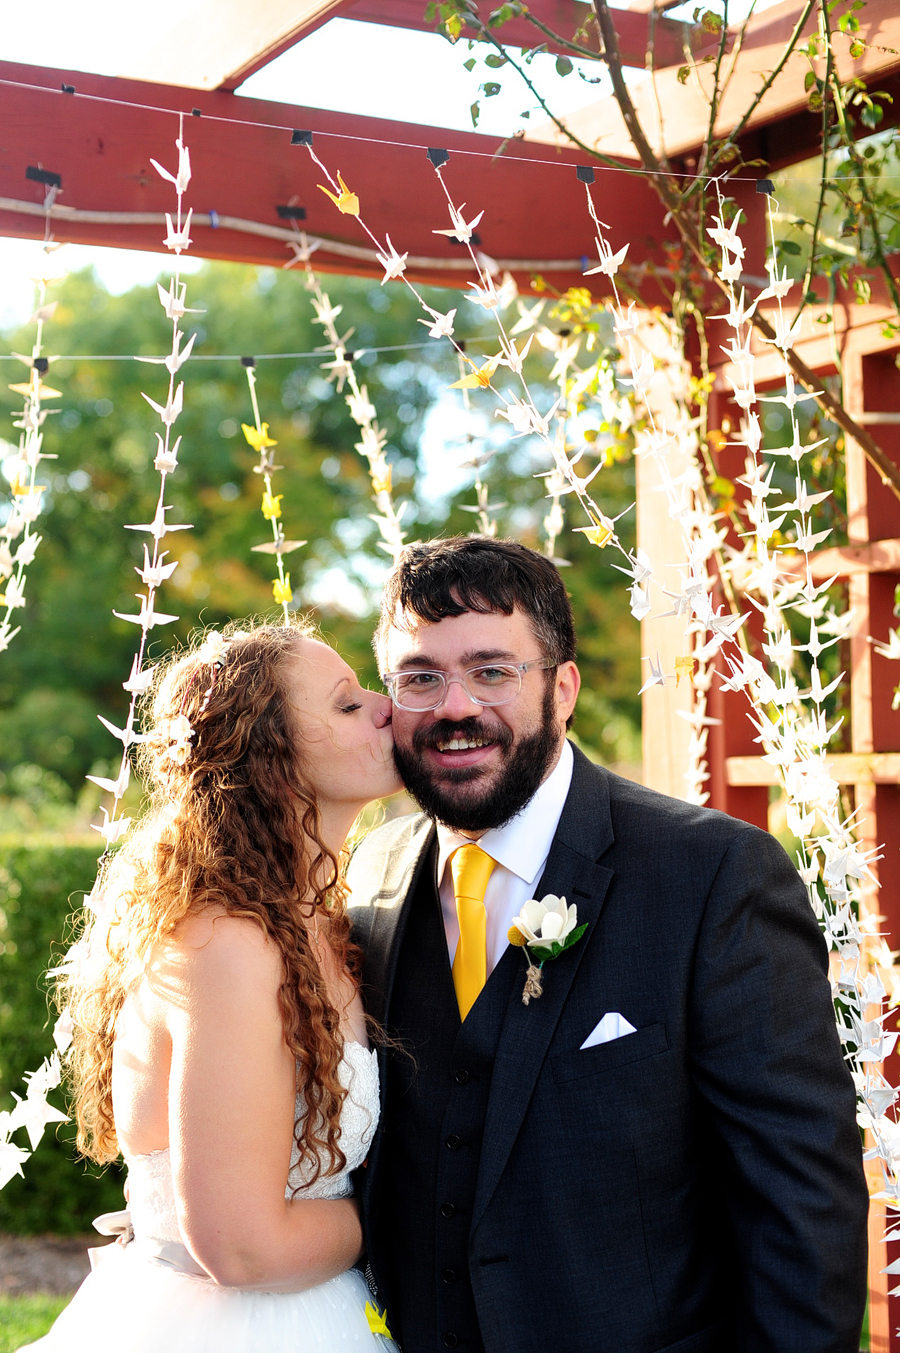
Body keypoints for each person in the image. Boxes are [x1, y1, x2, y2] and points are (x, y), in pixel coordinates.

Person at [346, 535, 869, 1353]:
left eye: (492, 671)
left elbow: (799, 1198)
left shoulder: (713, 875)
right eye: (421, 677)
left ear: (564, 690)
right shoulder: (370, 873)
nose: (454, 707)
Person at [21, 621, 400, 1352]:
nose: (386, 705)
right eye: (348, 705)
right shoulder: (225, 942)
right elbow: (242, 1247)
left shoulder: (318, 921)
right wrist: (408, 1215)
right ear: (272, 760)